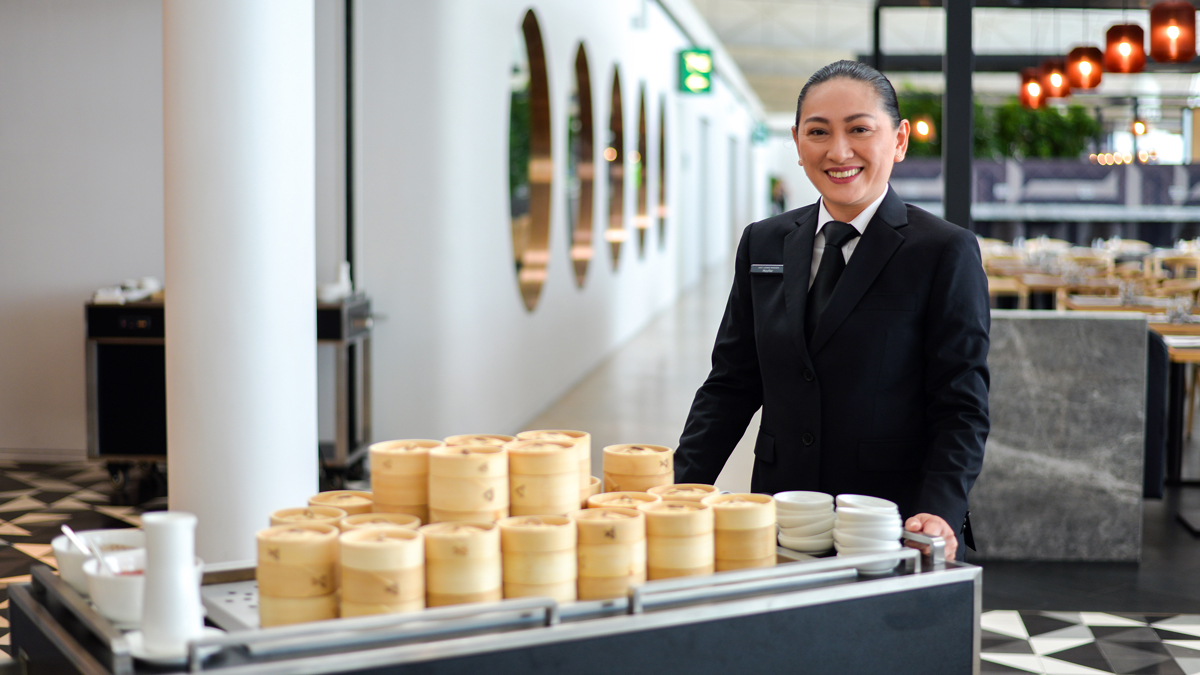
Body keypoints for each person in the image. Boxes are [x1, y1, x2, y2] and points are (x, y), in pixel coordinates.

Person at [674, 61, 989, 562]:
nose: (839, 151)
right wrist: (679, 486)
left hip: (887, 519)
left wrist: (940, 507)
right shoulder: (765, 241)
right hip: (782, 511)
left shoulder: (943, 251)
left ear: (899, 140)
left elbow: (960, 402)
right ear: (798, 144)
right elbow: (732, 383)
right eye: (818, 132)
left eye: (860, 129)